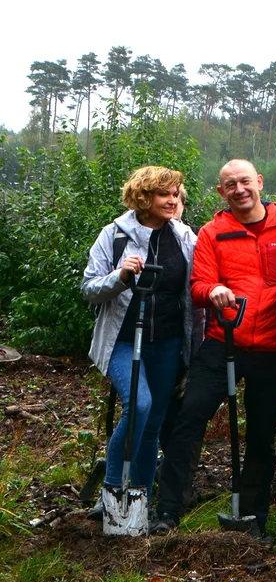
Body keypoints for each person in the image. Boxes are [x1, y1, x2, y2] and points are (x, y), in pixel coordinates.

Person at [151, 159, 276, 538]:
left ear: (259, 181)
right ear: (220, 193)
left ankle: (254, 519)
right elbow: (198, 285)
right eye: (229, 185)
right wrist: (213, 291)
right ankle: (168, 510)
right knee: (189, 418)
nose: (239, 190)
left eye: (244, 181)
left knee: (261, 435)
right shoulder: (212, 232)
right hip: (223, 343)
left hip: (274, 348)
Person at [81, 166, 197, 514]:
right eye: (165, 194)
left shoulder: (184, 237)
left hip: (167, 342)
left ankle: (139, 499)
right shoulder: (114, 235)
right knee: (140, 406)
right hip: (123, 340)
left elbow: (192, 290)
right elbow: (89, 288)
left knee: (154, 422)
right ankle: (112, 491)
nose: (173, 200)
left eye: (176, 194)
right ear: (144, 197)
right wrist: (120, 275)